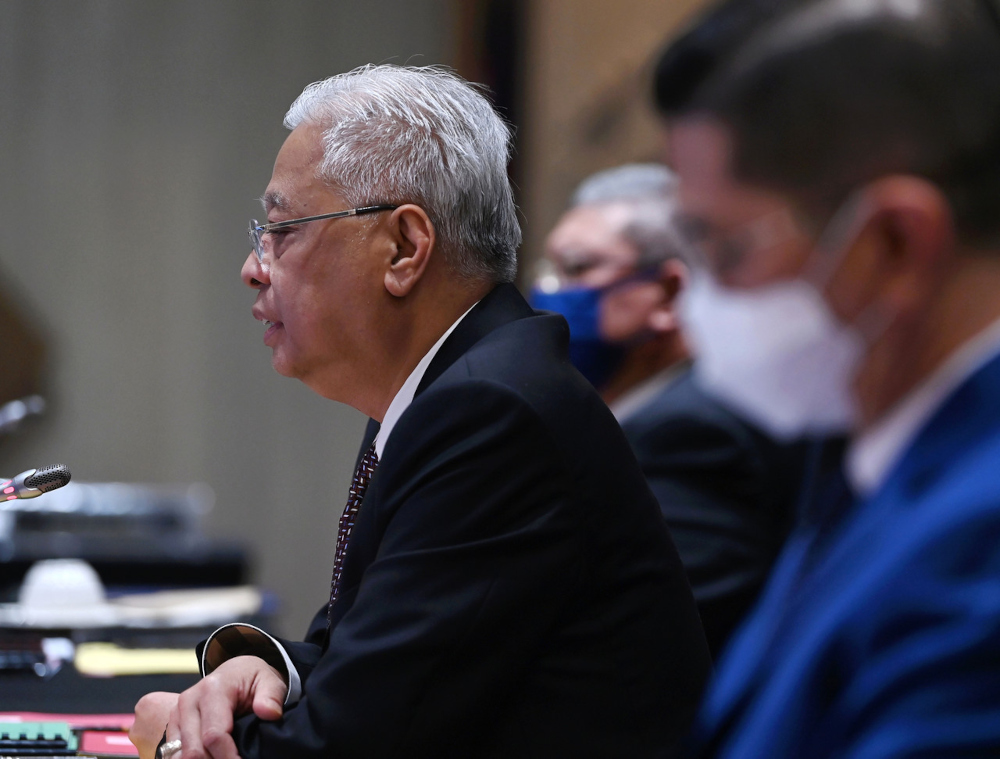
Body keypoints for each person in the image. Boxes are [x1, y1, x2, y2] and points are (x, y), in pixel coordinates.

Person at [129, 64, 711, 759]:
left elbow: (345, 746)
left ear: (405, 248)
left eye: (283, 230)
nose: (254, 266)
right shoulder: (451, 385)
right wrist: (264, 671)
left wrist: (169, 733)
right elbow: (372, 657)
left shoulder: (490, 414)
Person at [653, 0, 1000, 755]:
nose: (693, 305)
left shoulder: (980, 536)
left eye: (727, 250)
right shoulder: (880, 455)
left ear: (894, 242)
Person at [531, 164, 808, 657]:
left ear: (669, 292)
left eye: (576, 267)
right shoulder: (628, 422)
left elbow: (654, 644)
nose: (549, 294)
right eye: (548, 271)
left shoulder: (690, 433)